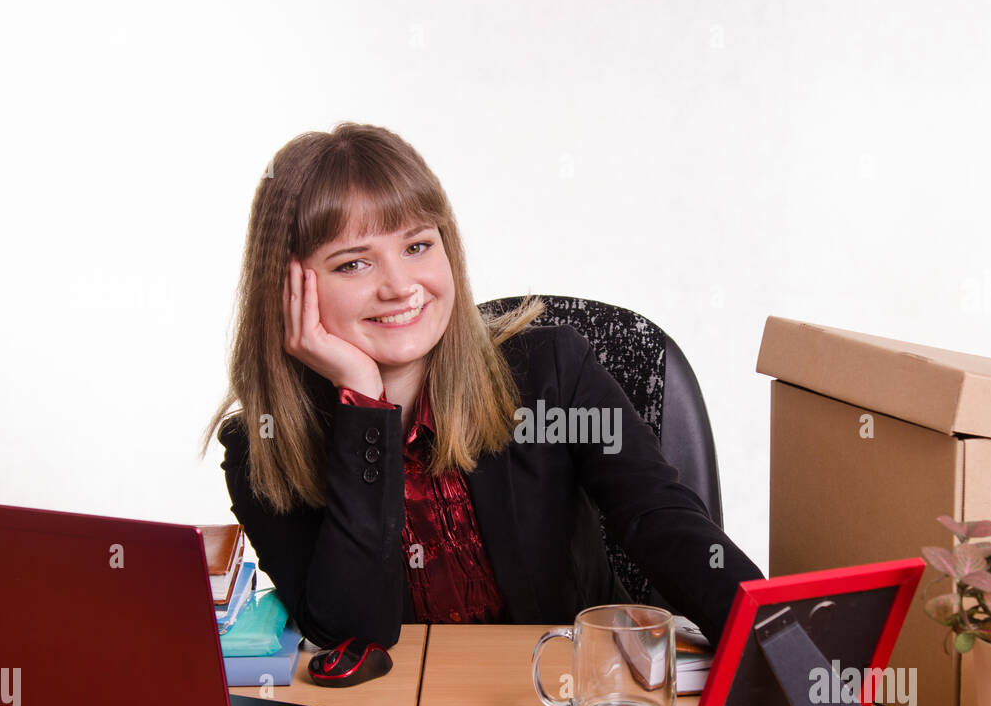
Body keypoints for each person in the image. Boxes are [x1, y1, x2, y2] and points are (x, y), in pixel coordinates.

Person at [205, 122, 762, 668]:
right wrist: (364, 405)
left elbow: (660, 521)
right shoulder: (260, 446)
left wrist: (777, 638)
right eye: (353, 262)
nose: (400, 285)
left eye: (418, 245)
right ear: (288, 290)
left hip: (572, 703)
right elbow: (350, 637)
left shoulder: (551, 373)